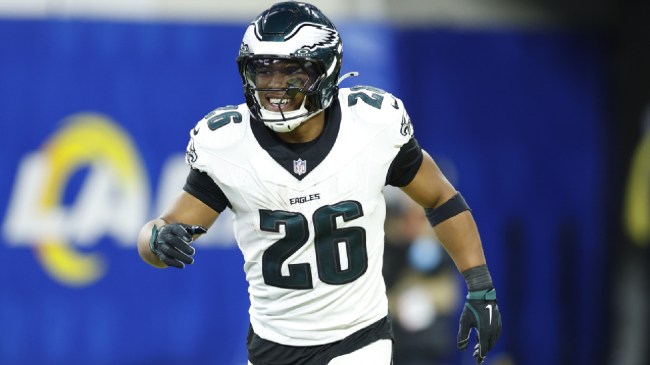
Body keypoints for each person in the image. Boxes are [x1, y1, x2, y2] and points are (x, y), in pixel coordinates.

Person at [136, 2, 502, 365]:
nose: (275, 86)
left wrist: (480, 286)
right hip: (271, 346)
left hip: (358, 338)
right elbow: (162, 230)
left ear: (324, 71)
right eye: (263, 71)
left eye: (290, 72)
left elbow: (440, 197)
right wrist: (156, 239)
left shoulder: (371, 125)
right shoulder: (228, 145)